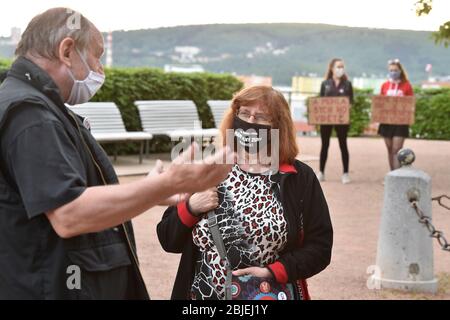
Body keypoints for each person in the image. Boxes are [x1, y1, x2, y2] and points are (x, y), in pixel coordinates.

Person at [0, 7, 233, 299]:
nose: (100, 69)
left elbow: (64, 193)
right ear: (67, 50)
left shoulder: (39, 107)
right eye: (96, 55)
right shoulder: (32, 115)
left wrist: (151, 191)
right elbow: (69, 213)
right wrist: (167, 183)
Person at [157, 86, 333, 300]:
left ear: (278, 125)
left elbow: (320, 247)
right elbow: (168, 239)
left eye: (260, 117)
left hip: (265, 295)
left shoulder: (299, 177)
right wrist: (191, 206)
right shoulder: (212, 166)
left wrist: (273, 271)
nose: (250, 121)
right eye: (244, 113)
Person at [317, 58, 354, 184]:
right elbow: (320, 102)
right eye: (338, 66)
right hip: (326, 120)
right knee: (325, 145)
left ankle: (345, 173)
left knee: (343, 145)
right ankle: (321, 172)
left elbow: (351, 102)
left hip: (342, 121)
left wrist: (346, 108)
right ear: (332, 68)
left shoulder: (348, 84)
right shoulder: (325, 84)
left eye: (342, 67)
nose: (340, 69)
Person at [378, 59, 414, 170]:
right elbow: (380, 103)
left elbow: (411, 103)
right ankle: (392, 173)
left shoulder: (407, 86)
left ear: (400, 71)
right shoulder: (385, 85)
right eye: (391, 70)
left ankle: (397, 174)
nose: (393, 72)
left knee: (396, 149)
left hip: (400, 122)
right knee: (389, 149)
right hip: (386, 122)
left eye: (395, 70)